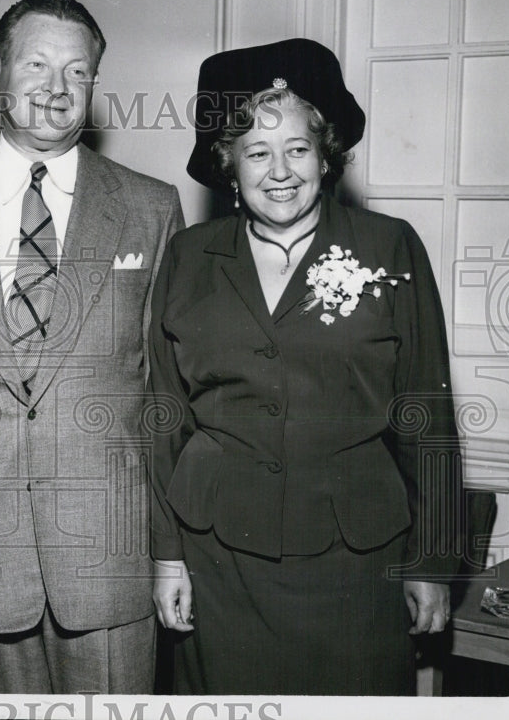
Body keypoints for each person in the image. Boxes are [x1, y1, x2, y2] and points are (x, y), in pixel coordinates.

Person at [149, 38, 463, 695]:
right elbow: (165, 417)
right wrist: (167, 554)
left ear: (326, 155)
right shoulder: (187, 256)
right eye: (256, 152)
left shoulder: (388, 246)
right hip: (219, 560)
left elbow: (426, 413)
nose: (280, 171)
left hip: (355, 564)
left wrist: (432, 559)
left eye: (297, 148)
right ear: (228, 163)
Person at [0, 0, 184, 694]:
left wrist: (170, 553)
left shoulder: (151, 208)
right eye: (36, 65)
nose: (56, 87)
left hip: (109, 557)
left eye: (77, 72)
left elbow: (167, 396)